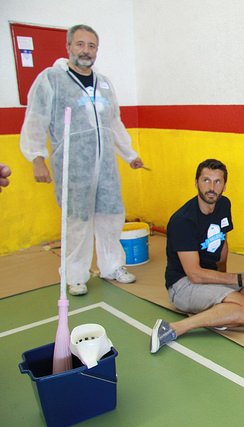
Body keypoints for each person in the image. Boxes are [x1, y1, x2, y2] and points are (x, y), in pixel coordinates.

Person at [20, 24, 143, 296]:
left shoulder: (105, 83)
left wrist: (130, 154)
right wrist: (37, 157)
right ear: (68, 47)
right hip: (73, 167)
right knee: (77, 222)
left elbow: (114, 122)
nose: (86, 51)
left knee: (111, 216)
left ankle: (112, 266)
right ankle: (75, 275)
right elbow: (35, 119)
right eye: (80, 44)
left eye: (91, 46)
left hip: (106, 167)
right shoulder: (52, 79)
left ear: (97, 50)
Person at [150, 159, 244, 354]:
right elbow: (194, 275)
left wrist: (224, 280)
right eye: (206, 180)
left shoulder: (224, 204)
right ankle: (174, 328)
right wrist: (239, 279)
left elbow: (223, 242)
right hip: (183, 285)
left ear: (224, 186)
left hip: (208, 276)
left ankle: (221, 314)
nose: (211, 187)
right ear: (196, 183)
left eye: (217, 182)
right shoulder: (183, 220)